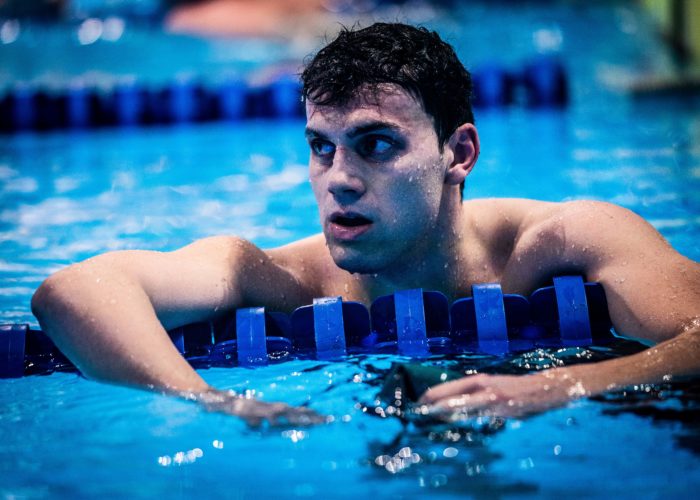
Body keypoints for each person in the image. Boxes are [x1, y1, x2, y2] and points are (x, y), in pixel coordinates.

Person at [31, 23, 700, 425]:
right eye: (321, 147)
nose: (339, 179)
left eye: (375, 144)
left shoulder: (562, 240)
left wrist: (561, 386)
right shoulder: (283, 278)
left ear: (458, 154)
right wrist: (218, 404)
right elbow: (75, 293)